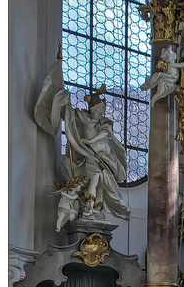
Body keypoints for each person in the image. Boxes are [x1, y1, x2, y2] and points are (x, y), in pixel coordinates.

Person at [34, 60, 130, 222]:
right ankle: (90, 209)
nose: (104, 110)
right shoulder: (83, 118)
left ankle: (95, 209)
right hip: (89, 156)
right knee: (95, 180)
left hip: (104, 158)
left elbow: (104, 135)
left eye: (104, 108)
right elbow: (69, 115)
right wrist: (62, 99)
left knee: (100, 183)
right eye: (102, 108)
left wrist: (88, 140)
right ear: (94, 108)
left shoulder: (105, 123)